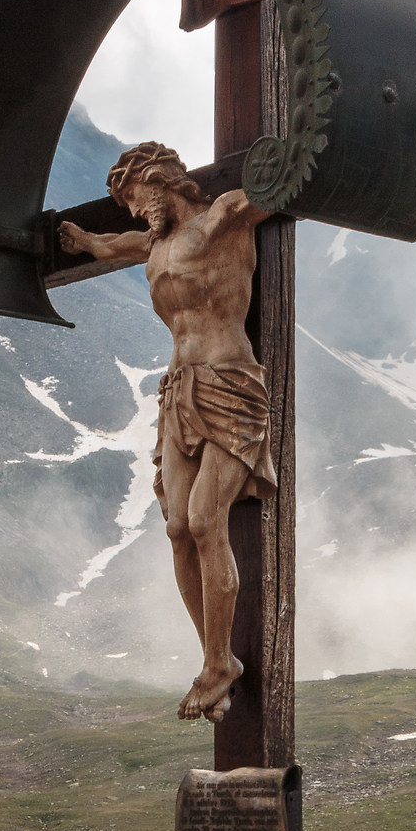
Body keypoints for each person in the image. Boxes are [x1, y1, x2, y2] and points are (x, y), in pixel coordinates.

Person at [58, 142, 275, 723]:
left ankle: (215, 664)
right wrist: (79, 241)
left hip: (229, 382)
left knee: (208, 519)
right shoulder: (150, 246)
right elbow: (108, 246)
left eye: (135, 196)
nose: (132, 211)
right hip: (177, 394)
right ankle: (216, 657)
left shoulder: (224, 217)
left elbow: (276, 190)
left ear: (163, 182)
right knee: (179, 527)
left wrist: (293, 159)